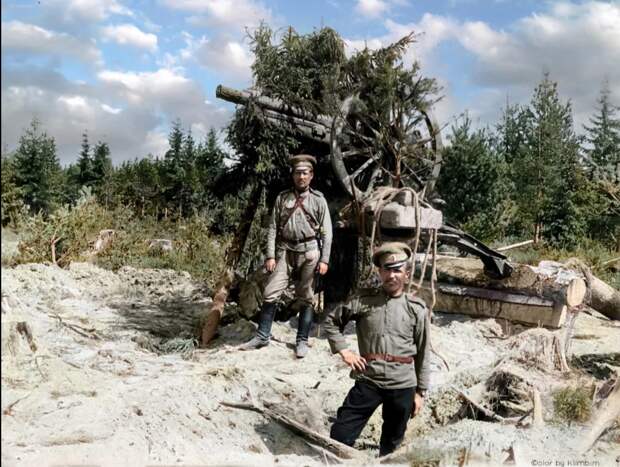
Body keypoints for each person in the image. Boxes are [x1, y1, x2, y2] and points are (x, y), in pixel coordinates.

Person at [324, 242, 431, 456]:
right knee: (340, 436)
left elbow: (423, 352)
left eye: (397, 270)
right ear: (380, 272)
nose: (392, 276)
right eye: (387, 270)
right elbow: (331, 321)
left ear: (406, 274)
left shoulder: (417, 309)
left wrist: (420, 392)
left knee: (391, 445)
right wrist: (345, 352)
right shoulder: (363, 302)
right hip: (369, 380)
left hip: (402, 384)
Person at [240, 154, 332, 358]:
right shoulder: (283, 198)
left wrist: (324, 259)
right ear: (293, 175)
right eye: (298, 173)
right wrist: (270, 256)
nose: (301, 176)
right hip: (285, 251)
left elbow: (327, 232)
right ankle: (262, 335)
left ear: (311, 176)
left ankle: (302, 341)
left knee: (306, 297)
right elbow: (273, 228)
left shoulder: (318, 200)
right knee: (271, 292)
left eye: (305, 173)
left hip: (309, 252)